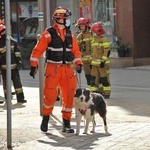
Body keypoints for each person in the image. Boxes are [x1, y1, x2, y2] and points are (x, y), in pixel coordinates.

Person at [29, 6, 83, 133]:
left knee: (69, 95)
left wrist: (78, 64)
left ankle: (66, 123)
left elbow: (76, 52)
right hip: (53, 69)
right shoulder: (48, 34)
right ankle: (46, 119)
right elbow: (37, 50)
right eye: (67, 18)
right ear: (60, 19)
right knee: (50, 95)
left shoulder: (70, 34)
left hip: (68, 69)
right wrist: (33, 65)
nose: (68, 20)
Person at [0, 24, 27, 103]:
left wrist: (19, 63)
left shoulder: (12, 42)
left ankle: (17, 98)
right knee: (9, 84)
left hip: (11, 67)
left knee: (14, 83)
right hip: (6, 68)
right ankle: (13, 99)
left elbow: (17, 53)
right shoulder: (11, 42)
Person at [90, 22, 111, 99]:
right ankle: (95, 92)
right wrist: (91, 62)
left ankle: (106, 93)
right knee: (94, 79)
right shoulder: (93, 40)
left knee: (104, 79)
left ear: (97, 31)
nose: (92, 33)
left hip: (102, 64)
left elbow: (107, 51)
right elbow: (92, 52)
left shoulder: (104, 40)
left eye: (93, 32)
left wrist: (103, 61)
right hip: (94, 64)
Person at [76, 17, 92, 88]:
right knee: (88, 77)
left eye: (82, 26)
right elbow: (77, 50)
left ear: (86, 25)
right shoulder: (79, 37)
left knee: (95, 78)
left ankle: (98, 92)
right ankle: (91, 91)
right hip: (85, 62)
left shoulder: (93, 34)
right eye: (80, 26)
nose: (81, 28)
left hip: (93, 61)